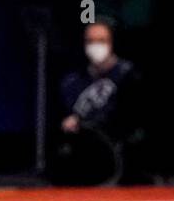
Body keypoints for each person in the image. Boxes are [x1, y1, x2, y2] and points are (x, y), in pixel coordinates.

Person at [54, 19, 144, 185]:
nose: (96, 46)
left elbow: (130, 119)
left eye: (102, 41)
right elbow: (63, 116)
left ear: (112, 42)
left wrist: (89, 123)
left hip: (116, 153)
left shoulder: (128, 75)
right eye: (90, 41)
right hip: (81, 153)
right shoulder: (72, 81)